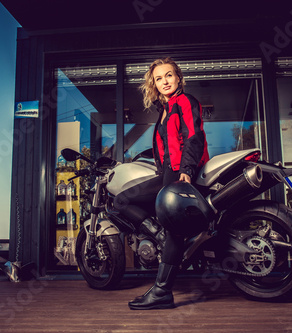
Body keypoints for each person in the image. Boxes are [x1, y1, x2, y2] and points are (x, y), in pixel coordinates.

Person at [128, 57, 209, 310]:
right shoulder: (164, 109)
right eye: (159, 78)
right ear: (153, 83)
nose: (165, 81)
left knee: (174, 229)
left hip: (180, 173)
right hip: (168, 173)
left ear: (178, 77)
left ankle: (162, 291)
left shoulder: (185, 101)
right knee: (122, 201)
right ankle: (162, 237)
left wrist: (186, 171)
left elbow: (193, 136)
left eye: (169, 75)